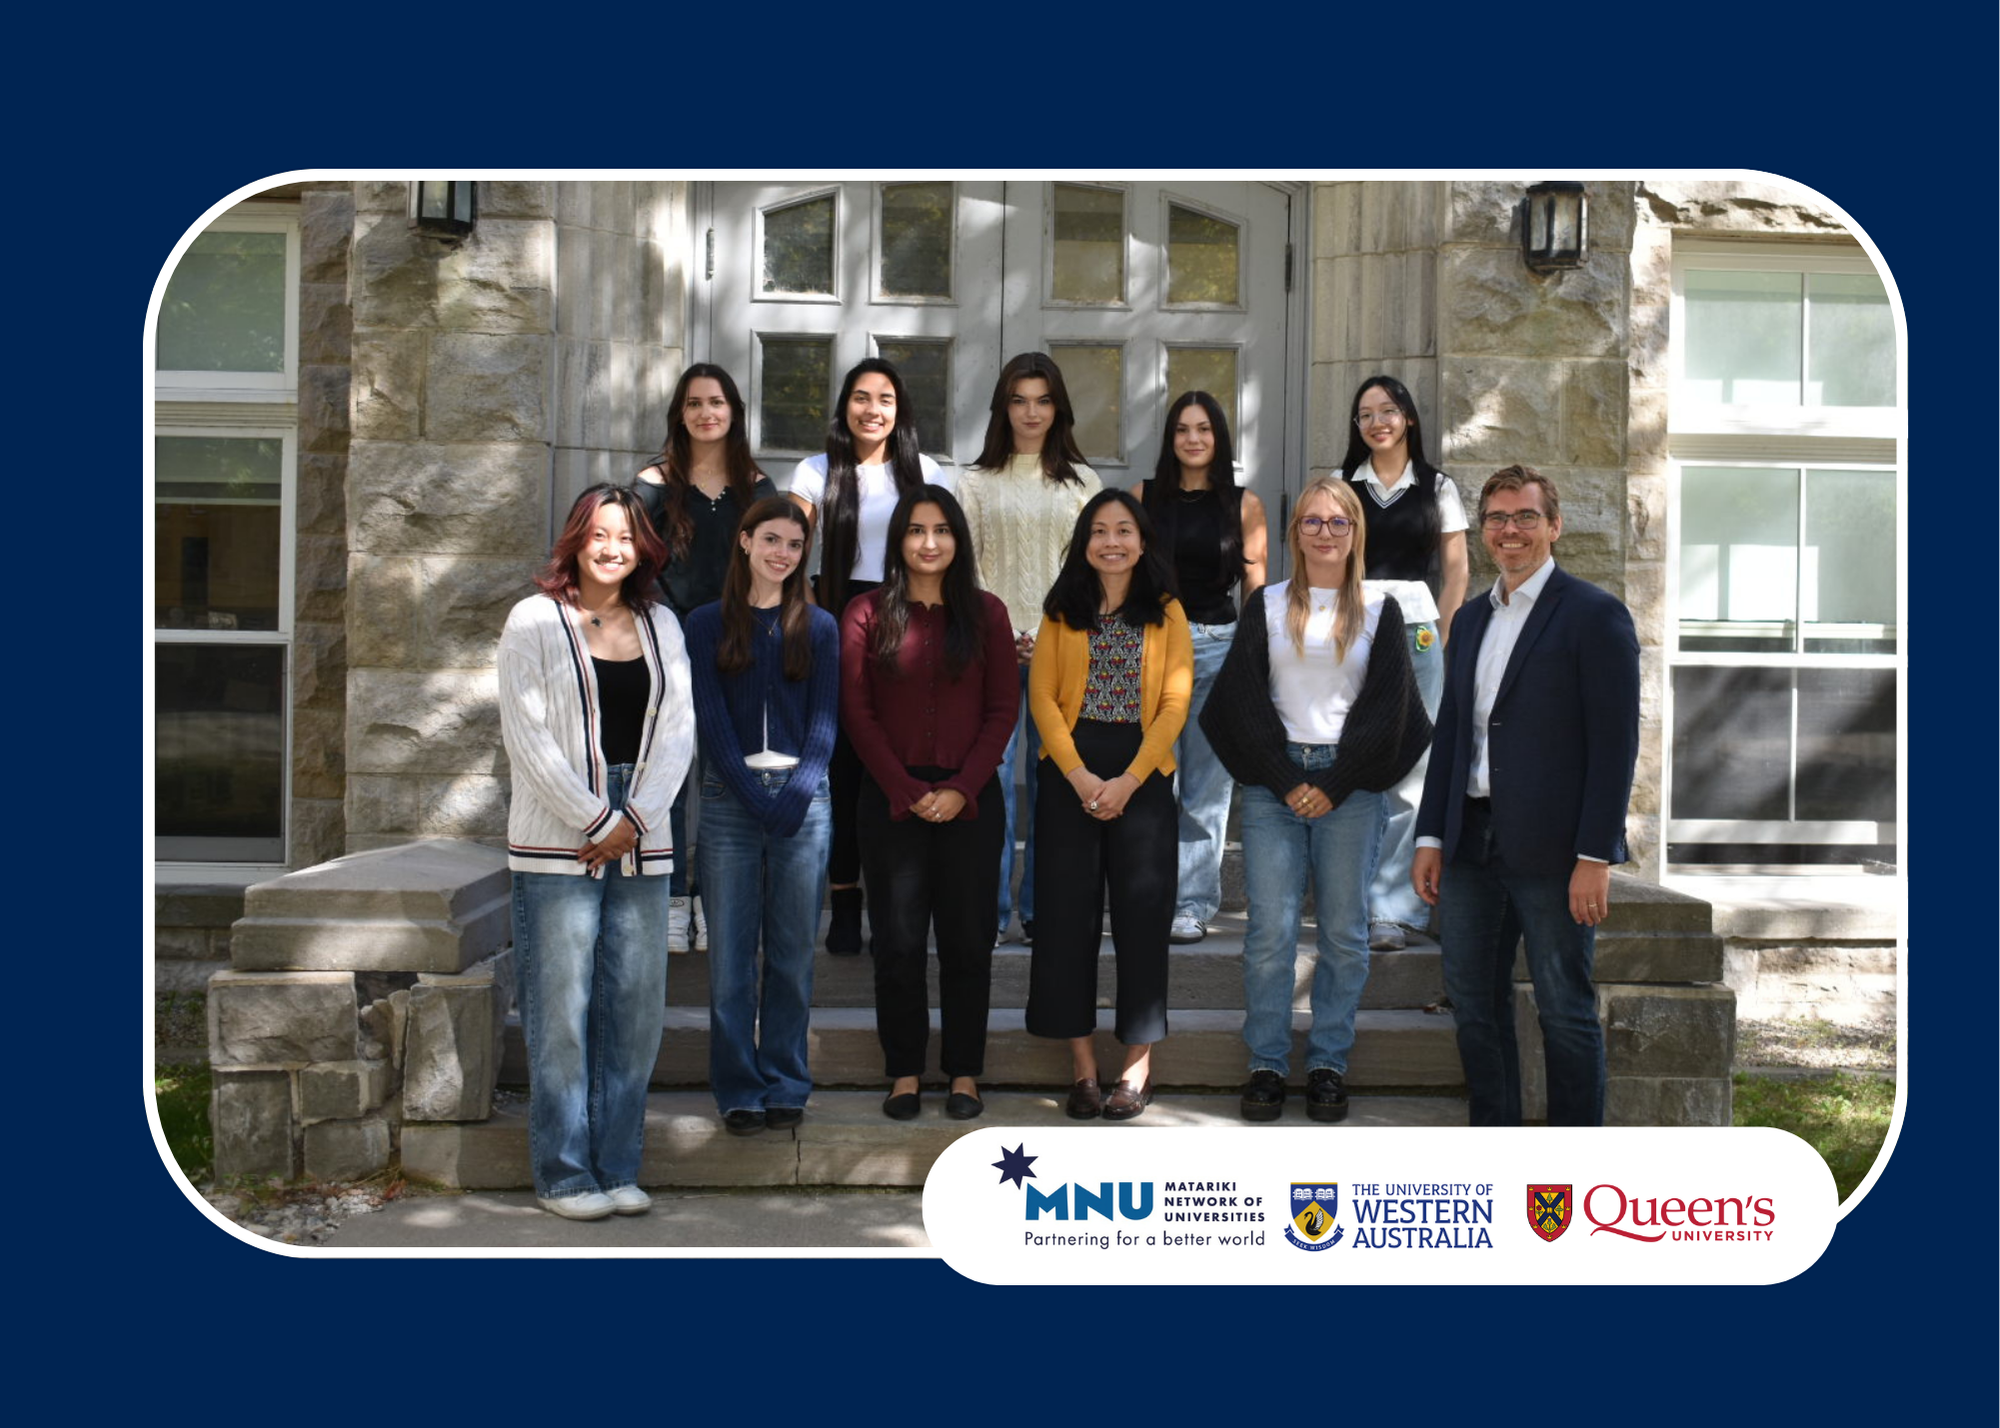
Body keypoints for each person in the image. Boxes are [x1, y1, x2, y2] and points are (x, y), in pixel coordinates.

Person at [1412, 465, 1640, 1127]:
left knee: (1565, 1010)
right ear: (1483, 531)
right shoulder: (1475, 618)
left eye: (1526, 517)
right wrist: (1431, 836)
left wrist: (1595, 854)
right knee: (1475, 1009)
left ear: (1554, 526)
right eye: (1497, 519)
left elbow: (1614, 745)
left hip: (1556, 852)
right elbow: (1453, 731)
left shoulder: (1595, 616)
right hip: (1469, 845)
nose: (1510, 531)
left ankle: (1571, 1172)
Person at [1199, 478, 1431, 1123]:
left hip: (1350, 789)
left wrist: (1333, 783)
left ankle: (1329, 1060)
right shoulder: (1267, 605)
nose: (1325, 533)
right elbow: (1236, 705)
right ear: (1295, 531)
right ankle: (1267, 1063)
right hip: (1276, 786)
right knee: (1270, 933)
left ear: (1356, 532)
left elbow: (1393, 713)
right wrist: (1284, 779)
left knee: (1345, 935)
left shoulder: (1382, 609)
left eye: (1338, 522)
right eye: (1311, 522)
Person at [497, 484, 694, 1219]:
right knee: (562, 1009)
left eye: (626, 535)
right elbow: (526, 735)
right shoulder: (533, 620)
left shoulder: (661, 622)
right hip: (559, 839)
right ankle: (565, 1173)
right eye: (599, 534)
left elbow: (678, 729)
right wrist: (593, 817)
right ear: (576, 540)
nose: (612, 547)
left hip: (643, 836)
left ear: (643, 547)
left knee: (636, 1011)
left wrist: (634, 818)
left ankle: (618, 1166)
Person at [840, 486, 1019, 1121]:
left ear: (957, 541)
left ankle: (965, 1072)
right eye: (916, 530)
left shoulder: (987, 613)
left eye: (941, 530)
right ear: (899, 541)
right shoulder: (865, 614)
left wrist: (960, 788)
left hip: (970, 801)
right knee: (898, 942)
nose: (929, 542)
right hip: (891, 801)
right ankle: (905, 1073)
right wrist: (908, 790)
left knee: (969, 942)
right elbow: (857, 714)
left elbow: (1003, 710)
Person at [1025, 489, 1192, 1121]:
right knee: (1067, 924)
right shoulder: (1061, 608)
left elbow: (1176, 701)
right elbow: (1041, 696)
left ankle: (1137, 1066)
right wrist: (1077, 775)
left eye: (1124, 530)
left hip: (1141, 774)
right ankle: (1084, 1069)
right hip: (1070, 774)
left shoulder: (1167, 611)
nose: (1112, 541)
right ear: (1084, 542)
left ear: (1143, 541)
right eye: (1099, 531)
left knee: (1141, 923)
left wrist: (1126, 781)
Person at [684, 497, 841, 1135]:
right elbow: (710, 722)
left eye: (794, 545)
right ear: (745, 542)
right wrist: (753, 796)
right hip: (730, 800)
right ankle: (738, 1087)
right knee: (730, 957)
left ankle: (785, 1081)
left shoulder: (820, 626)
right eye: (770, 540)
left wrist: (798, 791)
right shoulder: (704, 623)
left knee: (791, 952)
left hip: (805, 802)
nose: (782, 554)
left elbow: (828, 720)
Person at [787, 358, 946, 956]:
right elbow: (792, 550)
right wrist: (808, 615)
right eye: (860, 396)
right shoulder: (815, 470)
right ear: (844, 406)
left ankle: (892, 902)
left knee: (896, 761)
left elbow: (940, 550)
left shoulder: (925, 472)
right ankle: (845, 898)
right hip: (837, 617)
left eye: (884, 398)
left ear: (899, 408)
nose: (871, 408)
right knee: (845, 766)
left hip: (905, 617)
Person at [955, 352, 1102, 947]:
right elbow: (962, 566)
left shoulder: (1081, 482)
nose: (1031, 412)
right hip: (990, 654)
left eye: (1042, 400)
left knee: (1056, 786)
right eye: (1019, 399)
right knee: (990, 783)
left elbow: (1093, 568)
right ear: (1003, 406)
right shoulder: (974, 481)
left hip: (1062, 651)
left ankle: (1043, 911)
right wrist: (1001, 629)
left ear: (1058, 406)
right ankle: (990, 913)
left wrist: (1048, 629)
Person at [634, 363, 778, 955]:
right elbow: (634, 564)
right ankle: (671, 901)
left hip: (736, 647)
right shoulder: (653, 483)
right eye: (693, 403)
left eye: (716, 402)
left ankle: (715, 901)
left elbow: (773, 566)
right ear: (680, 414)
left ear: (734, 412)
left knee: (724, 779)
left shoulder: (758, 488)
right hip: (668, 645)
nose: (705, 413)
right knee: (668, 779)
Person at [1340, 375, 1470, 954]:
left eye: (1387, 411)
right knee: (1353, 767)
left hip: (1418, 632)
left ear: (1408, 418)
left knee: (1414, 772)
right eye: (1365, 415)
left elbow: (1457, 569)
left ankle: (1393, 910)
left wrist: (1441, 636)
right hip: (1355, 632)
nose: (1377, 423)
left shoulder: (1437, 486)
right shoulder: (1345, 484)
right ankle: (1348, 902)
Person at [1138, 391, 1267, 944]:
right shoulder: (1142, 498)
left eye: (1204, 429)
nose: (1193, 439)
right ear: (1170, 439)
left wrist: (1252, 658)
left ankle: (1191, 905)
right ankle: (1144, 894)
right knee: (1149, 782)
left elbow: (1256, 590)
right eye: (1183, 430)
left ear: (1219, 438)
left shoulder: (1244, 504)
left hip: (1219, 647)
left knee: (1206, 789)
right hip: (1153, 648)